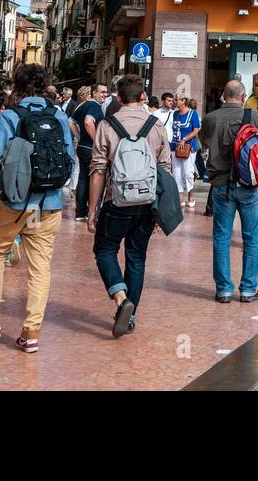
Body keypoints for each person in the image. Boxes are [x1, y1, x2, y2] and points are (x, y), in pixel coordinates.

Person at [0, 64, 73, 353]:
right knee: (40, 269)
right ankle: (31, 333)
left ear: (17, 86)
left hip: (14, 203)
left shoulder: (10, 117)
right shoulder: (60, 117)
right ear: (45, 87)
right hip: (49, 204)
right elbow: (70, 160)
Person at [87, 74, 171, 337]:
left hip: (116, 201)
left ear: (119, 98)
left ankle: (121, 298)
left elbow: (98, 170)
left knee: (104, 250)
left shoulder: (107, 124)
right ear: (143, 97)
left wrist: (92, 209)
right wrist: (161, 210)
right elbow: (164, 169)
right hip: (147, 203)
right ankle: (131, 316)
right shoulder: (156, 126)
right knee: (136, 257)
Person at [201, 78, 258, 303]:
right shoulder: (253, 117)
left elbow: (205, 143)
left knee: (221, 237)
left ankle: (224, 290)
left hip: (221, 185)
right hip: (249, 185)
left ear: (223, 95)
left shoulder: (210, 118)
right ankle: (248, 289)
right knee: (251, 237)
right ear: (242, 96)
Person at [70, 83, 107, 222]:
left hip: (82, 147)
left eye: (106, 92)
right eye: (102, 92)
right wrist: (97, 140)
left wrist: (80, 138)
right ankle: (94, 211)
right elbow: (88, 122)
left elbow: (71, 122)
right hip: (92, 148)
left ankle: (80, 212)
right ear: (94, 93)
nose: (104, 94)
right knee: (97, 179)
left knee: (83, 178)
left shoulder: (82, 105)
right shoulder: (94, 106)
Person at [171, 94, 201, 209]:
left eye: (177, 99)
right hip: (175, 146)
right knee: (177, 173)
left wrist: (184, 139)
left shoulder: (193, 113)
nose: (175, 101)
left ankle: (191, 192)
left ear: (183, 101)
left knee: (188, 172)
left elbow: (195, 130)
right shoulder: (175, 114)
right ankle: (180, 196)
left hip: (188, 147)